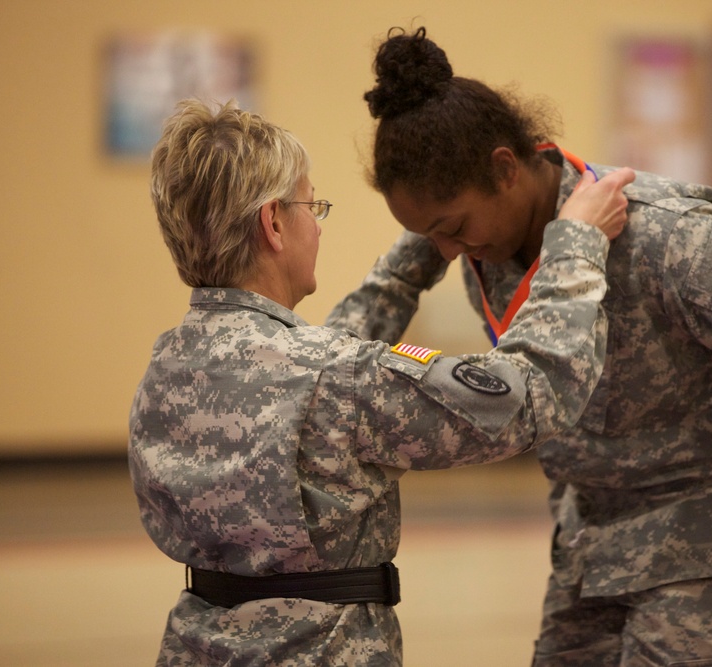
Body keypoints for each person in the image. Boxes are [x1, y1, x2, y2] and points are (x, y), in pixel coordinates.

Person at [359, 27, 712, 666]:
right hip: (594, 548)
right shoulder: (486, 251)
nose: (447, 252)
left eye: (454, 226)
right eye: (427, 236)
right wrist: (424, 251)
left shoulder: (672, 239)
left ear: (504, 167)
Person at [128, 98, 635, 666]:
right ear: (273, 223)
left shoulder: (168, 365)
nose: (315, 224)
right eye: (309, 205)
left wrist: (416, 255)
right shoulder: (332, 377)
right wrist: (576, 245)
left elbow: (311, 374)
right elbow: (531, 396)